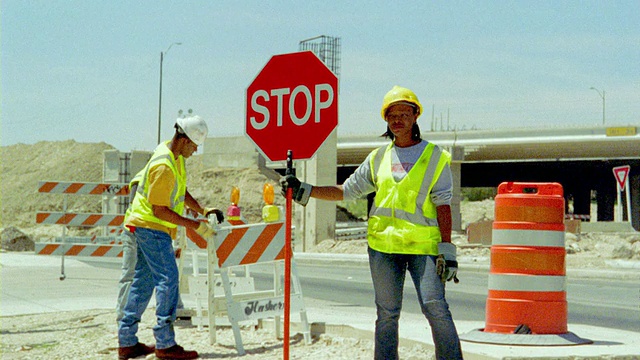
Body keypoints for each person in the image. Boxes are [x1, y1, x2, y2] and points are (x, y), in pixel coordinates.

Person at [281, 85, 464, 360]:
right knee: (387, 314)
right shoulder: (378, 158)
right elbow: (347, 190)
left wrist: (447, 251)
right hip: (383, 249)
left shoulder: (436, 157)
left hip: (424, 248)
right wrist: (305, 189)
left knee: (435, 307)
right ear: (386, 120)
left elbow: (443, 206)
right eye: (392, 115)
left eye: (404, 113)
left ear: (415, 116)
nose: (398, 120)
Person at [117, 115, 224, 360]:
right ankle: (165, 344)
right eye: (194, 145)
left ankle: (127, 342)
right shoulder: (164, 165)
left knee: (142, 283)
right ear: (184, 139)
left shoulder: (172, 155)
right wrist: (194, 225)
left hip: (142, 224)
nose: (196, 151)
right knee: (168, 279)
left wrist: (202, 209)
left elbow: (179, 191)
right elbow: (160, 209)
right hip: (152, 226)